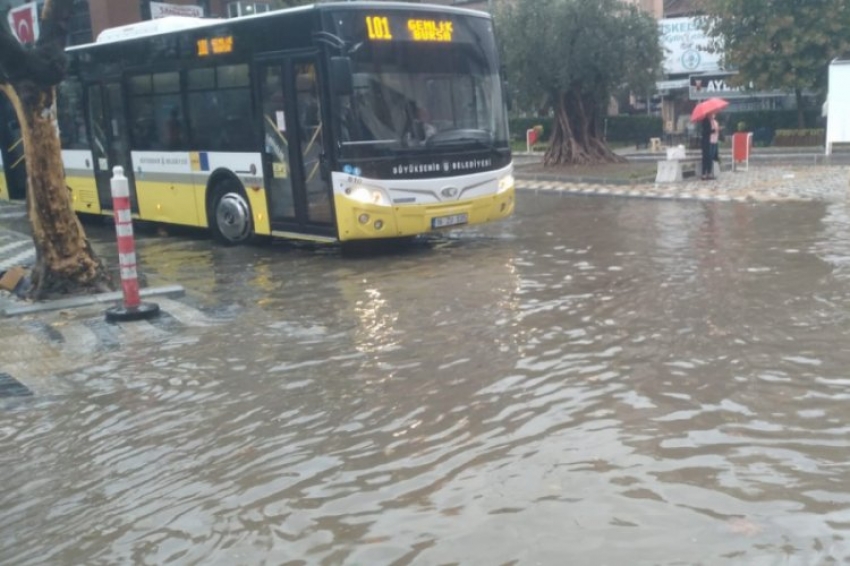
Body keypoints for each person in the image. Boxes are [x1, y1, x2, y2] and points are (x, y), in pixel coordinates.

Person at [700, 114, 713, 180]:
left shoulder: (707, 120)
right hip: (705, 142)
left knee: (708, 157)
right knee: (706, 157)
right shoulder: (705, 121)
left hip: (706, 141)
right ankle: (705, 174)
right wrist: (712, 131)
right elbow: (706, 131)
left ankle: (707, 173)